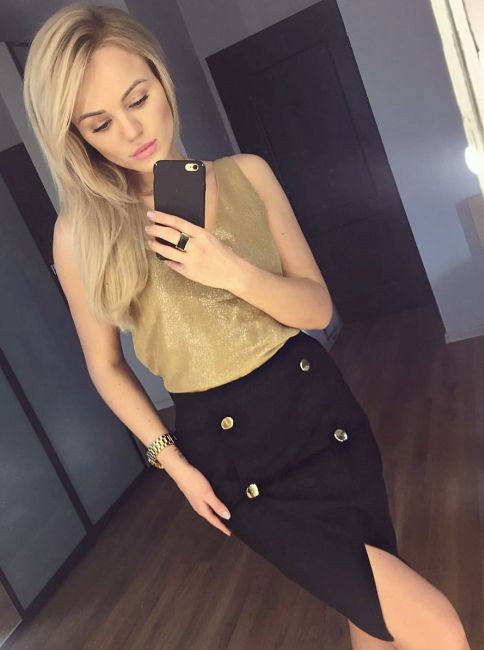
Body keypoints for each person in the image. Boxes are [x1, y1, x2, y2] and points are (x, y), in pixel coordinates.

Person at [23, 3, 470, 648]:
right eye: (100, 124)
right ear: (78, 138)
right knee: (436, 626)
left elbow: (317, 309)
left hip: (321, 410)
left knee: (373, 619)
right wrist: (174, 465)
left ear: (160, 77)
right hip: (238, 458)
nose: (132, 130)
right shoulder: (82, 234)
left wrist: (230, 271)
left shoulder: (248, 174)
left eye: (137, 98)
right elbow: (106, 366)